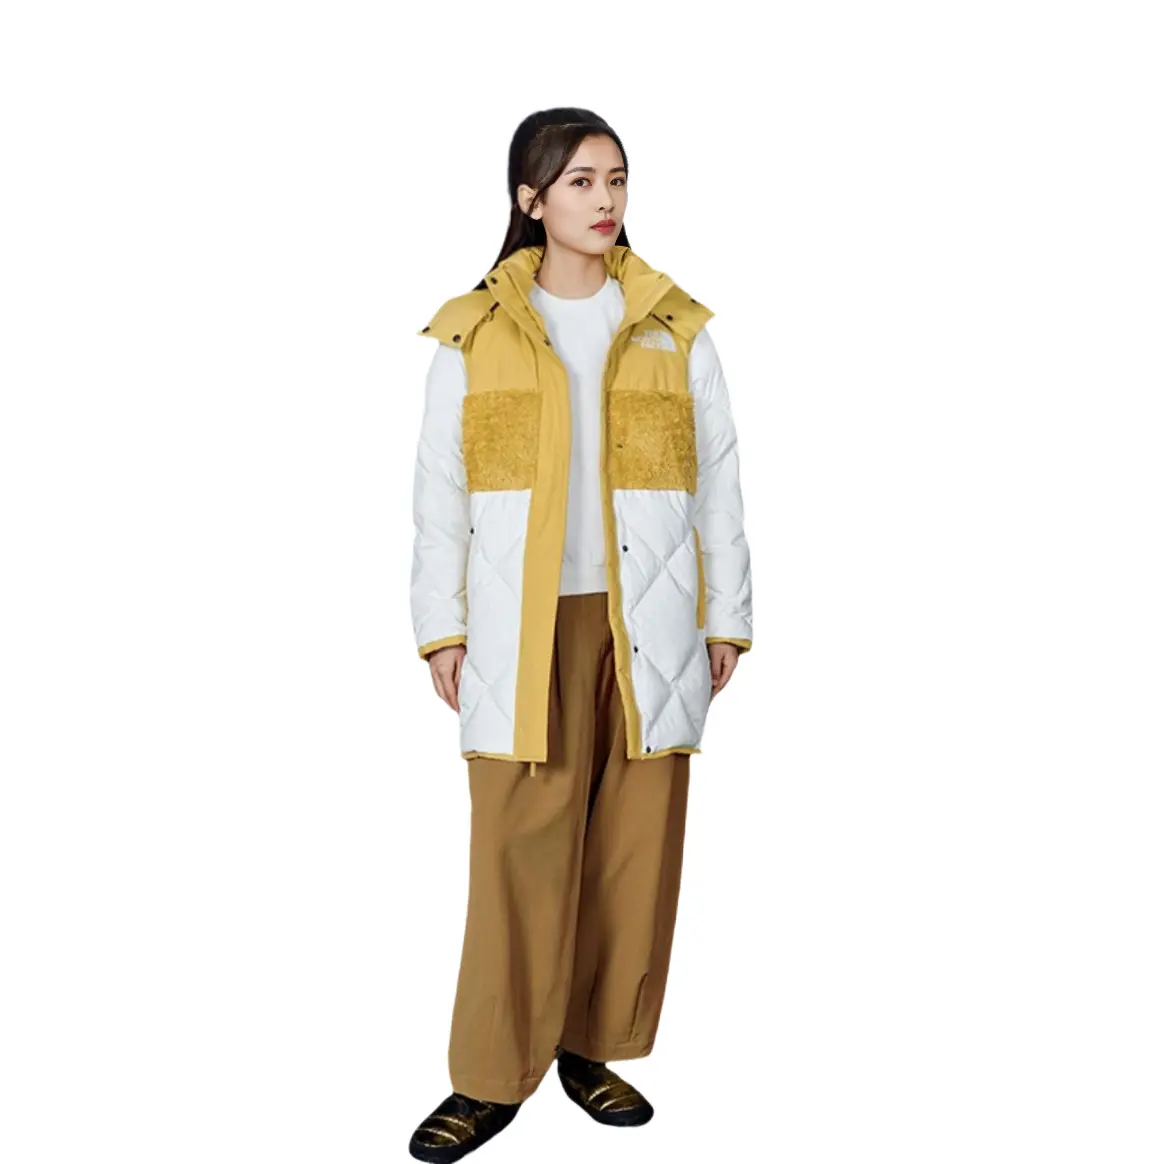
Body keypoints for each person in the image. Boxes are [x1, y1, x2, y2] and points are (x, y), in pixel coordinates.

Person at [406, 107, 753, 1162]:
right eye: (580, 182)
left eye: (617, 179)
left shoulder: (672, 330)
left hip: (650, 623)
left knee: (633, 850)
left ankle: (592, 1049)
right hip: (523, 629)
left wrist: (726, 618)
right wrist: (442, 628)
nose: (605, 200)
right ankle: (488, 1077)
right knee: (518, 849)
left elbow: (720, 487)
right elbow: (439, 496)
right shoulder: (475, 335)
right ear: (531, 200)